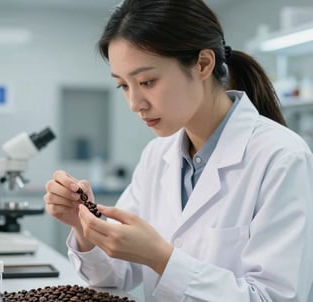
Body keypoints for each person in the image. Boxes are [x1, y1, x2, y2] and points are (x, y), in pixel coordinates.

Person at [44, 0, 313, 301]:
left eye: (147, 81)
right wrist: (84, 225)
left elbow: (275, 297)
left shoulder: (281, 156)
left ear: (203, 64)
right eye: (123, 85)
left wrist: (162, 258)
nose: (135, 104)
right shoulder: (158, 155)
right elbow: (114, 276)